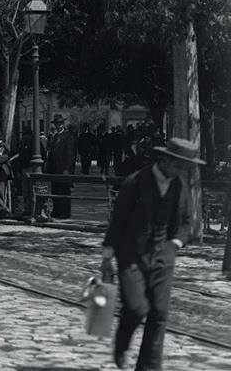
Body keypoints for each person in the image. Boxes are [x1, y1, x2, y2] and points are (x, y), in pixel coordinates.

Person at [102, 137, 200, 371]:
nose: (180, 170)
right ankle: (121, 345)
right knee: (137, 308)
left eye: (185, 167)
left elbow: (187, 222)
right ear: (164, 160)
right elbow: (117, 222)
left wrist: (175, 244)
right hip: (131, 256)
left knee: (159, 312)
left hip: (163, 257)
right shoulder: (135, 182)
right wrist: (106, 258)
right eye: (178, 165)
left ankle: (149, 367)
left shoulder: (180, 185)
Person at [44, 114, 77, 220]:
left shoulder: (68, 136)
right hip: (54, 169)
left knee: (64, 191)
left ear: (63, 124)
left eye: (60, 124)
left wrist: (67, 169)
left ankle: (65, 212)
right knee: (55, 190)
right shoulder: (54, 136)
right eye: (57, 124)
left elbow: (70, 155)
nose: (58, 126)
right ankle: (57, 210)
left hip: (63, 169)